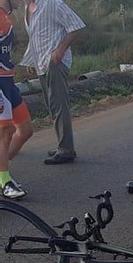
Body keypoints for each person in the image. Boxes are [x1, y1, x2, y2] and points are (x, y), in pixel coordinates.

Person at [20, 0, 84, 164]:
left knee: (58, 104)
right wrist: (30, 61)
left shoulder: (52, 4)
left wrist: (60, 50)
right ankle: (63, 145)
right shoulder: (27, 8)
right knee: (52, 104)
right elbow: (36, 36)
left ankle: (66, 150)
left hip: (55, 62)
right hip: (41, 62)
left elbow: (76, 26)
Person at [0, 0, 34, 198]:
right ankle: (5, 180)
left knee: (26, 130)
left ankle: (3, 171)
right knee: (5, 132)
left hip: (9, 82)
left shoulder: (8, 15)